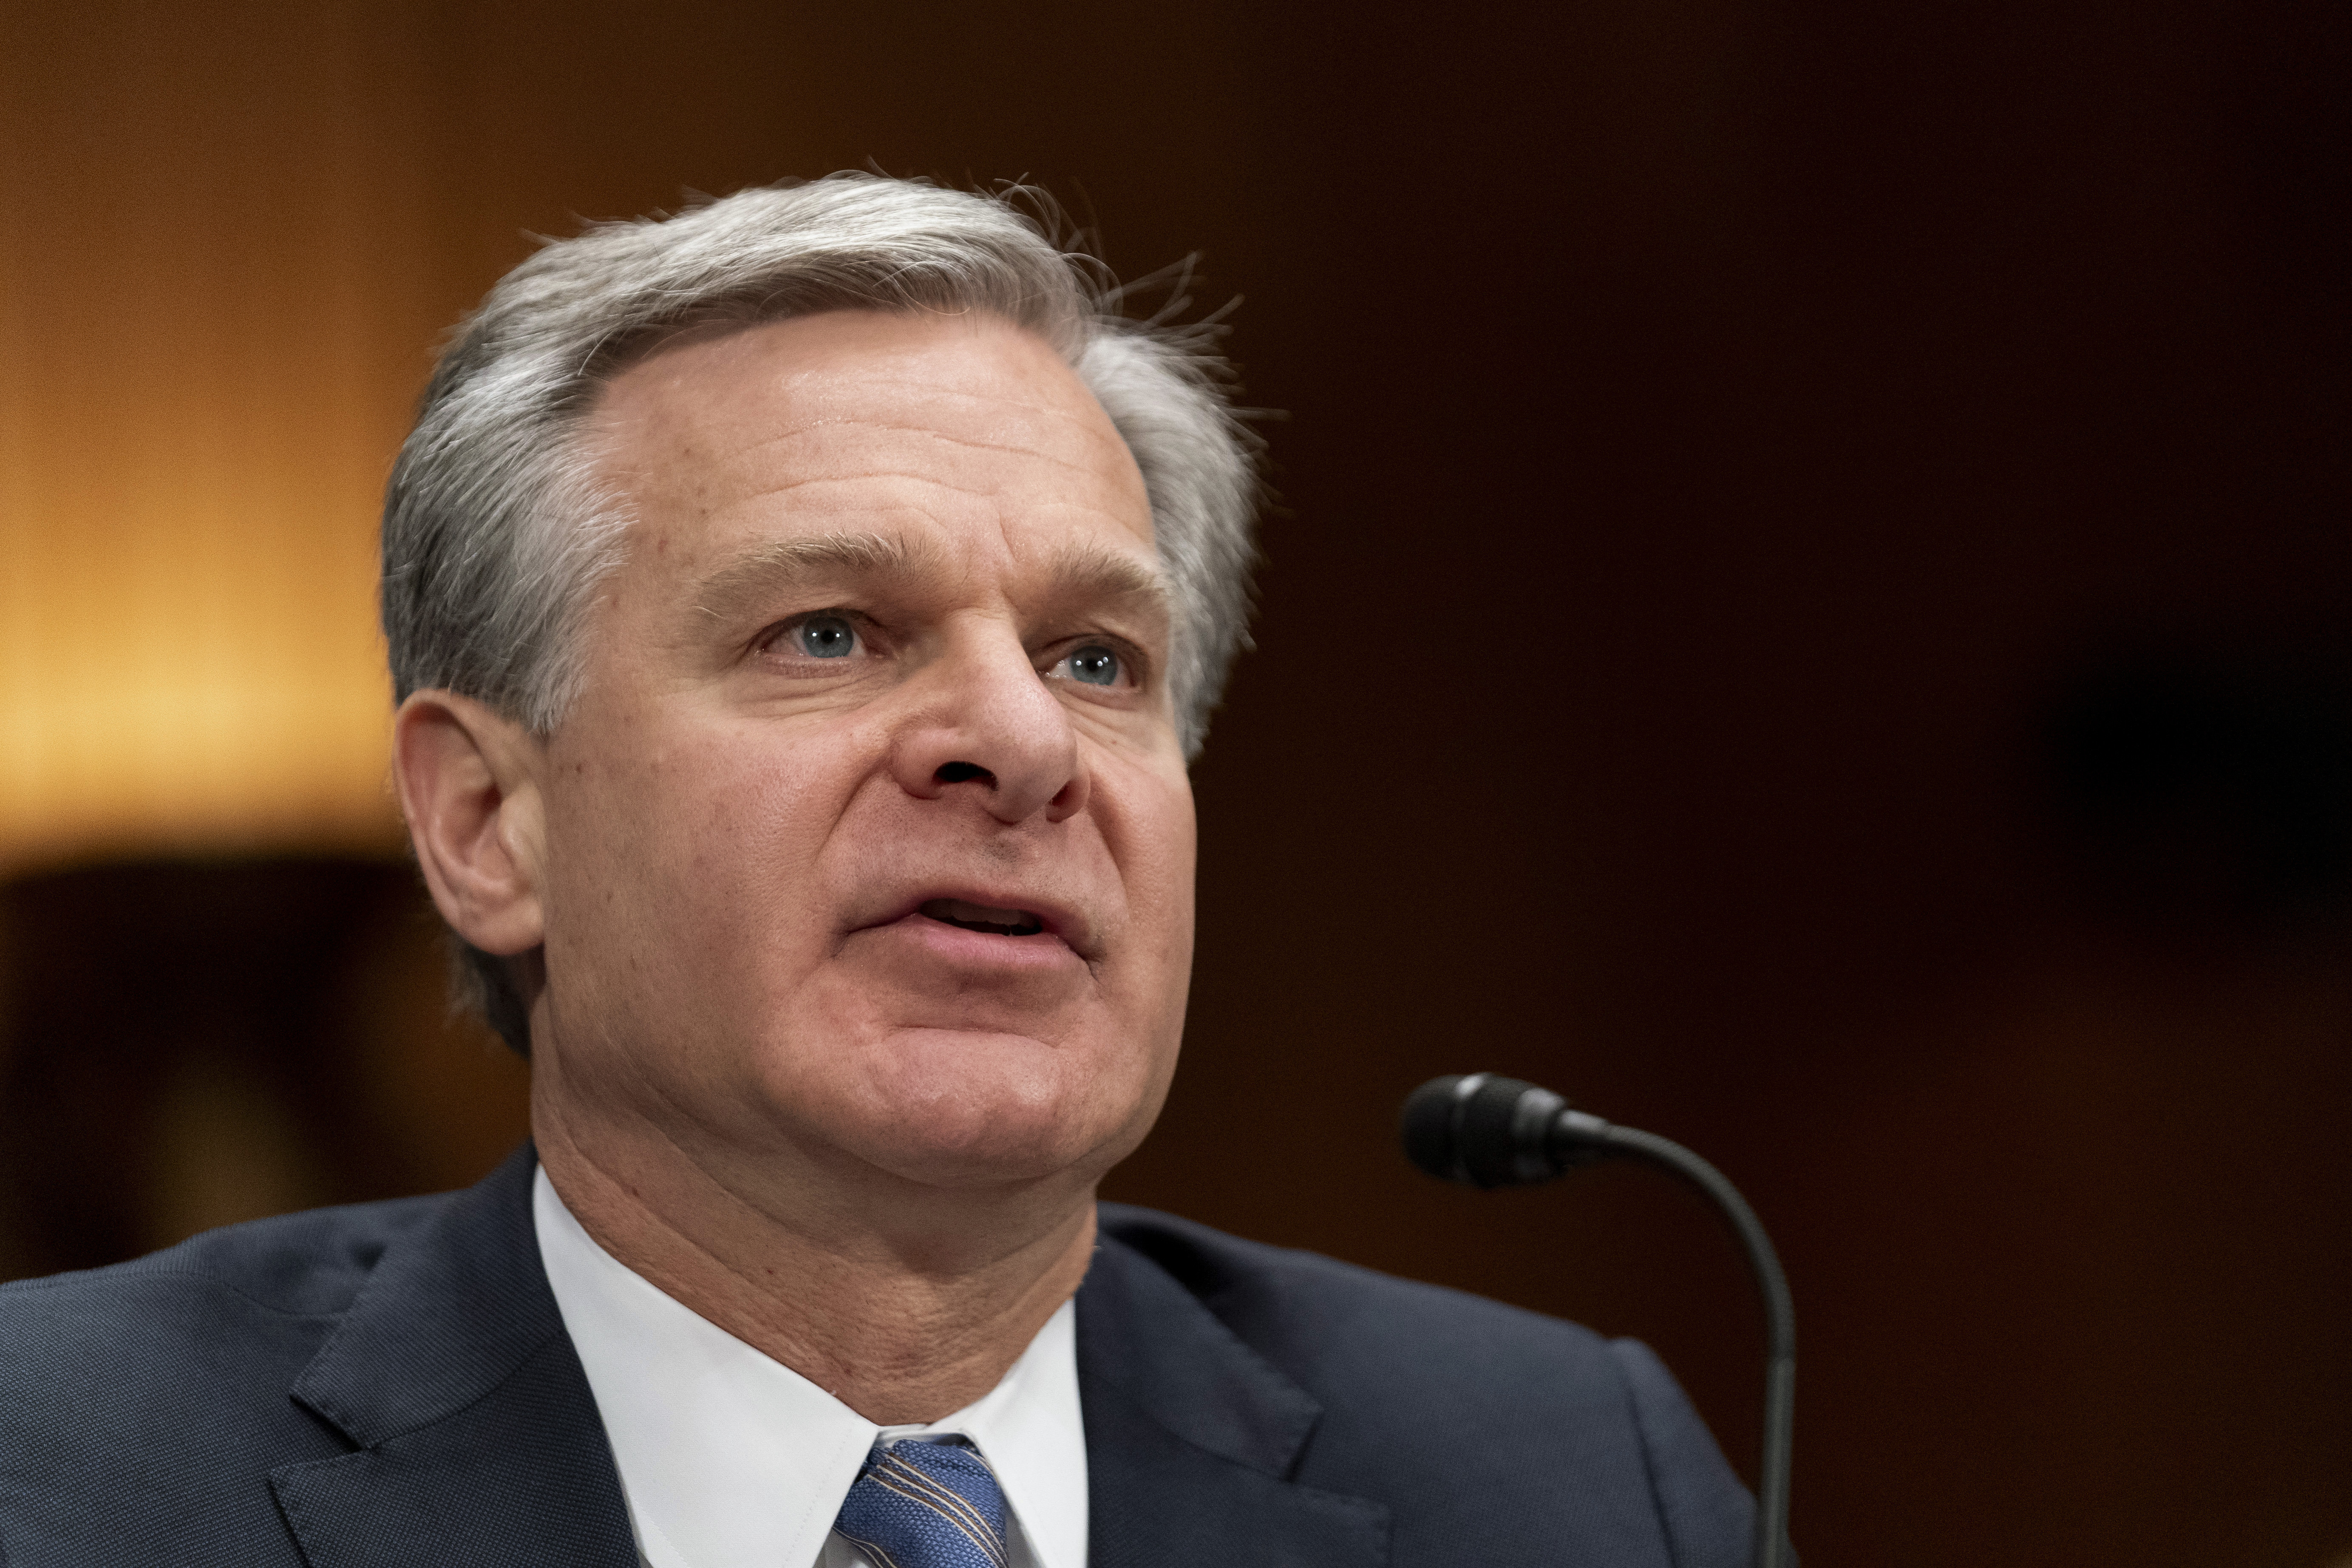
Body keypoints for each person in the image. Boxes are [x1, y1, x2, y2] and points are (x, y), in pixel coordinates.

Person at [0, 175, 1757, 1566]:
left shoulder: (1570, 1484)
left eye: (1095, 658)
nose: (1023, 739)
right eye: (829, 630)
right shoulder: (59, 1473)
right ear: (485, 822)